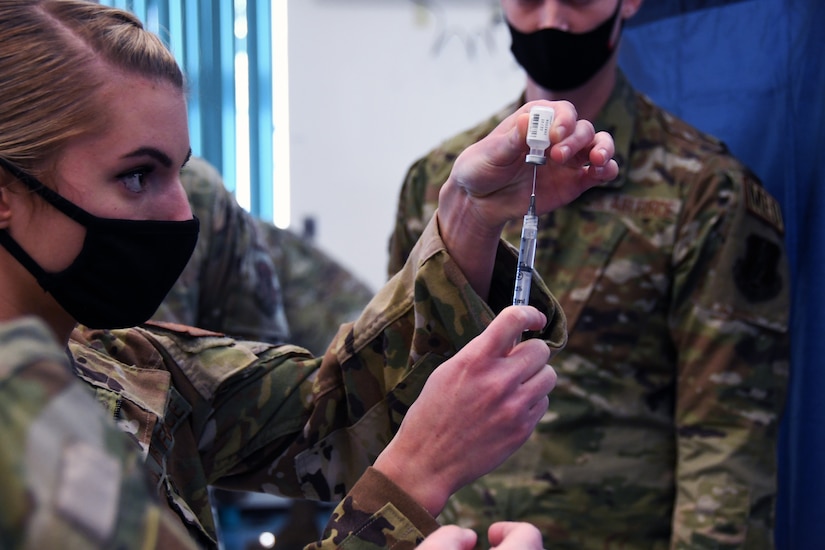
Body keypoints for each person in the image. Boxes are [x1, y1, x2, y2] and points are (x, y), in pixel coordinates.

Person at [0, 1, 618, 549]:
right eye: (137, 175)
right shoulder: (22, 428)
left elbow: (335, 416)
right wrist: (410, 482)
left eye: (180, 174)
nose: (183, 214)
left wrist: (470, 215)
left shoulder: (120, 364)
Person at [387, 0, 790, 548]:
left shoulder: (703, 190)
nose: (552, 18)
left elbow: (728, 435)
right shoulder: (444, 184)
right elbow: (393, 393)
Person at [153, 156, 375, 356]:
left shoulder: (198, 190)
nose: (180, 209)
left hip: (326, 317)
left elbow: (260, 363)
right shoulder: (189, 189)